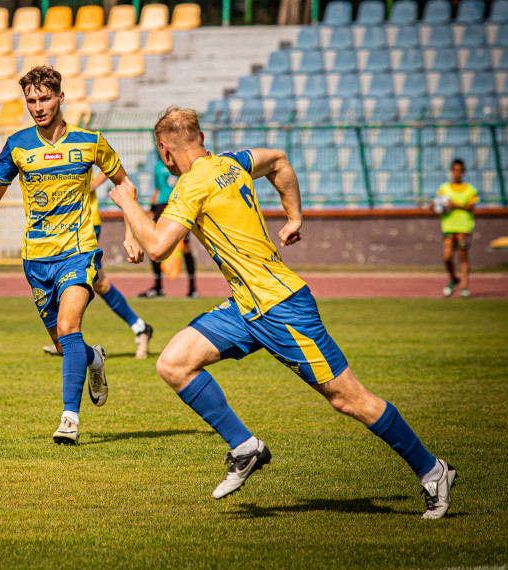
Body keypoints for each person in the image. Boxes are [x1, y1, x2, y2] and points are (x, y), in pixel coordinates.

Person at [109, 105, 456, 519]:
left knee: (350, 400)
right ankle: (245, 447)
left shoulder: (190, 185)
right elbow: (279, 160)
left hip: (282, 307)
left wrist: (127, 203)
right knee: (174, 363)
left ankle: (432, 470)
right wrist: (294, 216)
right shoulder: (232, 162)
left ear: (165, 150)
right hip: (247, 305)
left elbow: (158, 247)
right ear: (201, 139)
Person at [0, 66, 144, 445]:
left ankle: (69, 419)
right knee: (64, 344)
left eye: (44, 98)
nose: (37, 106)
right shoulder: (18, 144)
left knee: (70, 327)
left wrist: (132, 233)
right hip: (36, 259)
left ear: (60, 98)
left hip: (79, 251)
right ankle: (94, 359)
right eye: (31, 100)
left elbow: (124, 184)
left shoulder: (90, 142)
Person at [43, 170, 154, 359]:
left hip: (85, 222)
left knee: (75, 279)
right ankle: (140, 328)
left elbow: (114, 169)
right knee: (98, 283)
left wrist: (94, 183)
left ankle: (67, 338)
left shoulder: (87, 140)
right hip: (59, 222)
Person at [139, 153, 197, 299]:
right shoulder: (158, 165)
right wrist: (152, 211)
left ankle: (192, 287)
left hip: (178, 203)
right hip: (161, 205)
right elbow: (157, 189)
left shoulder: (181, 161)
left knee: (186, 246)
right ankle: (158, 287)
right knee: (155, 244)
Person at [430, 158, 478, 298]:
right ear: (451, 171)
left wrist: (454, 205)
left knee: (463, 256)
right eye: (455, 170)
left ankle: (464, 286)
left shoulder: (470, 190)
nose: (457, 173)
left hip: (463, 226)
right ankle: (453, 279)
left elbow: (471, 207)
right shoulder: (444, 188)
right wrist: (435, 206)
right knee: (447, 257)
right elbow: (433, 205)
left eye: (460, 171)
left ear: (463, 172)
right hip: (448, 227)